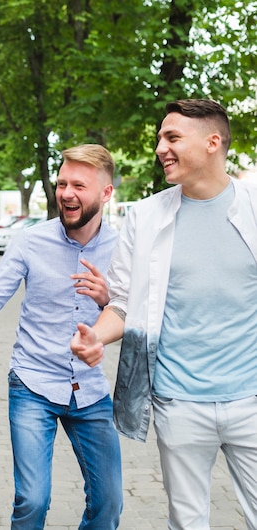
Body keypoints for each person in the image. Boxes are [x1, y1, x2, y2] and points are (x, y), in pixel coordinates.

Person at [72, 99, 257, 529]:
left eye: (172, 137)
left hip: (250, 398)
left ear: (213, 142)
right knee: (187, 522)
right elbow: (121, 302)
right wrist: (95, 337)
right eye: (159, 138)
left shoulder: (252, 207)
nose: (160, 147)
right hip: (178, 401)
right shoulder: (146, 215)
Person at [0, 144, 122, 530]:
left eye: (79, 185)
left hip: (90, 391)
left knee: (109, 504)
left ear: (106, 193)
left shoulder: (122, 249)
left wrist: (109, 300)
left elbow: (135, 319)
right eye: (62, 183)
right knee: (32, 501)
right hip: (33, 384)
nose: (67, 193)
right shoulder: (30, 241)